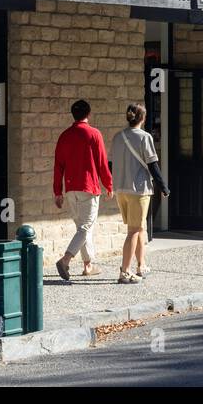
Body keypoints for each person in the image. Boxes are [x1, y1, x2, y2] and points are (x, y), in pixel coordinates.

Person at [52, 99, 113, 283]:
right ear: (89, 114)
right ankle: (66, 259)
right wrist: (109, 184)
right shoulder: (94, 134)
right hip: (89, 186)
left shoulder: (64, 136)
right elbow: (102, 163)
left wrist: (57, 191)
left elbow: (58, 165)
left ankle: (88, 265)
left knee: (82, 228)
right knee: (86, 228)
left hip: (71, 188)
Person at [111, 103, 171, 285]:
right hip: (139, 189)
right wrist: (163, 187)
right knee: (134, 231)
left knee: (140, 227)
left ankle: (141, 265)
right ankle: (125, 271)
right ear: (143, 118)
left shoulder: (117, 137)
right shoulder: (145, 138)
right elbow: (153, 165)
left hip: (121, 188)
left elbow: (110, 164)